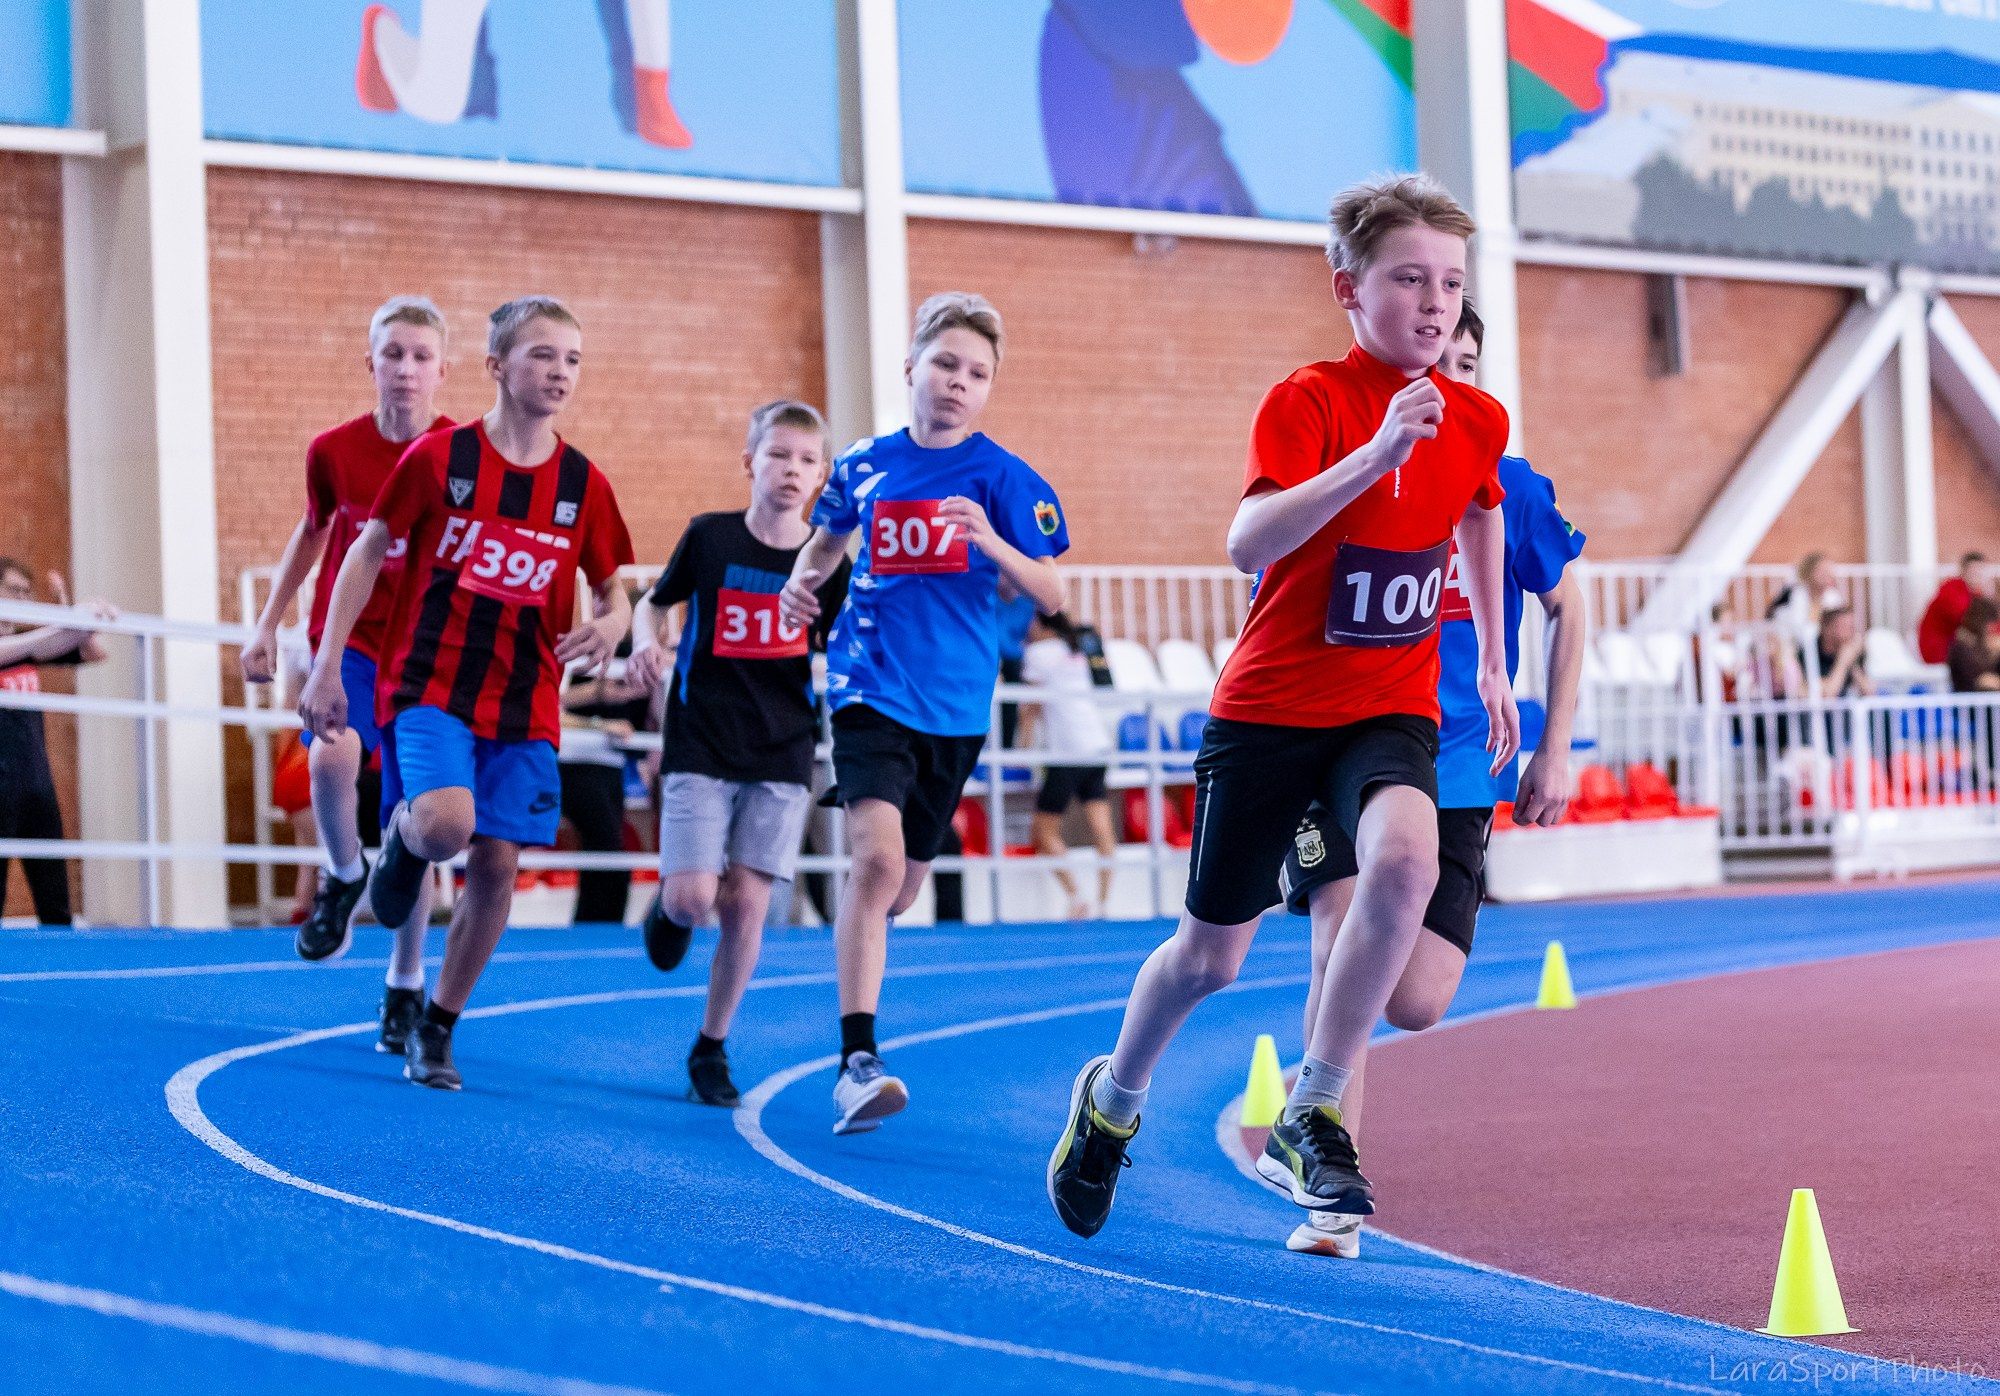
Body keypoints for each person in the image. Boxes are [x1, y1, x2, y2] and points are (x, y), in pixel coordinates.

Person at [1048, 173, 1517, 1239]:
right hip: (1268, 711)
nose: (1434, 302)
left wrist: (1490, 653)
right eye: (1409, 278)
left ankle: (1313, 1104)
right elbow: (1247, 544)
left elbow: (1482, 510)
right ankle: (1111, 1101)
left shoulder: (1477, 416)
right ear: (1347, 288)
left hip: (1384, 707)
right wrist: (1375, 455)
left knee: (1401, 858)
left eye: (1449, 281)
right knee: (1208, 958)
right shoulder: (1308, 398)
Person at [1274, 298, 1587, 1259]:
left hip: (1455, 761)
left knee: (1414, 997)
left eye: (1466, 362)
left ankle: (1314, 1121)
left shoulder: (1511, 488)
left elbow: (1571, 610)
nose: (1447, 377)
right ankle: (1331, 1189)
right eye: (1434, 360)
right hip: (1340, 733)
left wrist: (1554, 741)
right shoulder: (1352, 467)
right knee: (1337, 929)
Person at [300, 295, 635, 1091]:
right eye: (543, 355)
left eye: (573, 360)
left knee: (497, 865)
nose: (559, 372)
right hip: (431, 681)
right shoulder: (440, 459)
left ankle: (438, 1023)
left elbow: (614, 588)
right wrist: (324, 662)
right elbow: (364, 549)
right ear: (495, 366)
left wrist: (614, 625)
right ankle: (407, 848)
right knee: (448, 826)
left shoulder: (583, 483)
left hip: (527, 698)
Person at [779, 293, 1071, 1135]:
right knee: (873, 867)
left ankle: (865, 963)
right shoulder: (866, 464)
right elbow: (828, 537)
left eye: (977, 374)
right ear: (911, 368)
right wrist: (806, 581)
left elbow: (1052, 591)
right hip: (868, 685)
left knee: (902, 886)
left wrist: (990, 539)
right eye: (945, 364)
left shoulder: (1003, 479)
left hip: (956, 708)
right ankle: (856, 1060)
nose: (958, 383)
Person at [626, 399, 852, 1107]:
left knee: (748, 906)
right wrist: (644, 639)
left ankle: (711, 1047)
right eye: (779, 455)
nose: (792, 470)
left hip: (783, 745)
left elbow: (847, 647)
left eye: (808, 460)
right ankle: (668, 911)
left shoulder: (828, 556)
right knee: (695, 899)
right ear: (751, 461)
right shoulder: (711, 538)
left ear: (822, 475)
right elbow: (653, 603)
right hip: (701, 737)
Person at [242, 295, 452, 1050]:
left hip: (426, 654)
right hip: (350, 639)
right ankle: (339, 872)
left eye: (420, 356)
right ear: (370, 362)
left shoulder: (462, 452)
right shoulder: (334, 450)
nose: (405, 369)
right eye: (392, 353)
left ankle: (404, 984)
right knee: (330, 754)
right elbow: (313, 530)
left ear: (442, 370)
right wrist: (268, 625)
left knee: (418, 824)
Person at [0, 564, 113, 926]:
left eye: (26, 593)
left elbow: (94, 651)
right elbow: (36, 642)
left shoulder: (29, 648)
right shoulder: (20, 647)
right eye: (14, 591)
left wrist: (73, 612)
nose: (22, 600)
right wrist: (68, 621)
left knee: (55, 900)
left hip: (36, 784)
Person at [1020, 610, 1116, 920]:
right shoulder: (1077, 647)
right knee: (1101, 827)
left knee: (1042, 831)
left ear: (1039, 624)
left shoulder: (1038, 653)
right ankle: (1103, 902)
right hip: (1096, 744)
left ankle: (1076, 896)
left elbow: (1029, 707)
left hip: (1067, 751)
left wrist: (1021, 749)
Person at [557, 651, 648, 925]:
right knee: (608, 851)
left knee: (607, 851)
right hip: (575, 760)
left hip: (613, 765)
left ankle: (598, 928)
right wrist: (597, 705)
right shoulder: (570, 650)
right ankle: (594, 929)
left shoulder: (627, 651)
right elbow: (547, 703)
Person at [1918, 551, 1990, 666]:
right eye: (1974, 571)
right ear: (1964, 571)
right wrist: (1988, 594)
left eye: (1980, 571)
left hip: (1954, 648)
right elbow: (1969, 620)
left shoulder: (1972, 592)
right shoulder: (1952, 589)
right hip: (1939, 649)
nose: (1978, 575)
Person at [1815, 605, 1873, 699]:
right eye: (1846, 627)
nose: (1852, 632)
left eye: (1852, 627)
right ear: (1828, 629)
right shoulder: (1811, 654)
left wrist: (1852, 664)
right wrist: (1842, 662)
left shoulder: (1852, 653)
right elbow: (1828, 695)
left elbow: (1869, 692)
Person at [1948, 596, 2000, 694]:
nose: (1992, 629)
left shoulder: (1987, 646)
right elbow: (1971, 680)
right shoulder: (1961, 648)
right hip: (1969, 702)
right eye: (1991, 624)